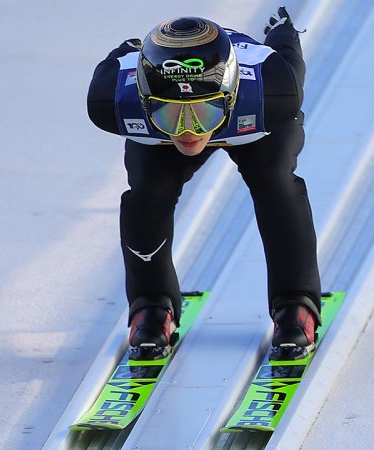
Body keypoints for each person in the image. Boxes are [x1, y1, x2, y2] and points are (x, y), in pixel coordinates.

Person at [86, 7, 321, 361]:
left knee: (275, 183)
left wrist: (284, 35)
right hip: (222, 120)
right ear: (145, 101)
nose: (188, 130)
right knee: (148, 195)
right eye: (169, 112)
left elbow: (287, 58)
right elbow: (125, 55)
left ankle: (295, 302)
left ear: (229, 95)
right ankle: (151, 304)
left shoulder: (272, 91)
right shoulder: (114, 98)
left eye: (204, 112)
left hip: (249, 124)